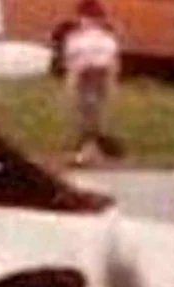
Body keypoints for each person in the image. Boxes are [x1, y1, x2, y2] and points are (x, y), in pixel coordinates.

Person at [62, 0, 123, 166]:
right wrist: (71, 81)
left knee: (91, 113)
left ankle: (88, 152)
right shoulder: (80, 38)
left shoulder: (101, 38)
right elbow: (73, 62)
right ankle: (91, 149)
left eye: (91, 18)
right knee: (87, 114)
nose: (88, 22)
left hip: (96, 76)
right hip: (86, 76)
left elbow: (112, 62)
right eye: (86, 18)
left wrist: (112, 82)